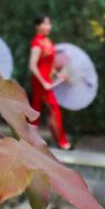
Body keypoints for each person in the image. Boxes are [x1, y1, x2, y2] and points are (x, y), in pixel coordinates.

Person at [28, 15, 71, 150]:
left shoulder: (49, 42)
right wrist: (43, 82)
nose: (49, 27)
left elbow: (50, 66)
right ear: (38, 26)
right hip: (40, 81)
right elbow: (32, 65)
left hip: (47, 81)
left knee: (38, 110)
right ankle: (61, 141)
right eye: (46, 24)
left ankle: (32, 140)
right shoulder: (37, 43)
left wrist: (59, 75)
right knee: (51, 109)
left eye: (49, 24)